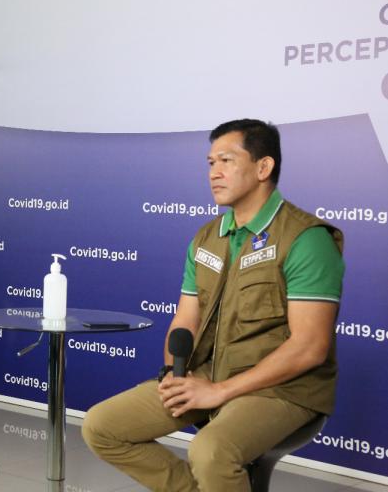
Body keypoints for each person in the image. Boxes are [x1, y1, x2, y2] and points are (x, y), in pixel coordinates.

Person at [81, 119, 344, 491]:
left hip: (283, 389)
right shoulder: (207, 237)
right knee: (102, 426)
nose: (214, 173)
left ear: (263, 167)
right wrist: (177, 373)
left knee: (209, 451)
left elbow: (310, 347)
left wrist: (220, 391)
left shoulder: (306, 239)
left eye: (226, 160)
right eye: (210, 163)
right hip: (209, 373)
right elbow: (186, 317)